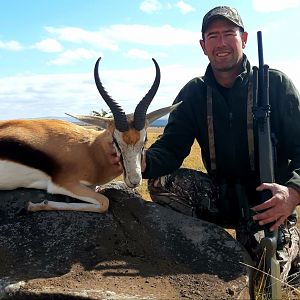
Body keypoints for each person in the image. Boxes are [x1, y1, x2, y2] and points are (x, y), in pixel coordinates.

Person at [106, 6, 300, 283]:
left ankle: (289, 252)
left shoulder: (275, 84)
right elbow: (171, 148)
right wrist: (141, 160)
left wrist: (292, 193)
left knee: (265, 278)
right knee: (161, 182)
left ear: (243, 39)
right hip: (220, 197)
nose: (221, 43)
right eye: (213, 36)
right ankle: (204, 242)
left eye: (228, 34)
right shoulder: (194, 92)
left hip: (268, 204)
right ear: (203, 46)